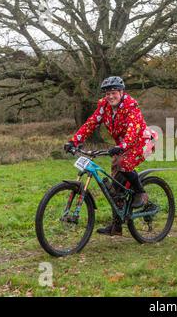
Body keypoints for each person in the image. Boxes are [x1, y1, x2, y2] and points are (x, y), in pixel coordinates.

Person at [64, 76, 152, 236]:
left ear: (121, 92)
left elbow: (133, 130)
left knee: (124, 164)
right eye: (107, 94)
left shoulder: (131, 106)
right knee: (114, 188)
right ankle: (116, 227)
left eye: (113, 93)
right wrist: (74, 141)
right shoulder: (104, 107)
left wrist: (122, 146)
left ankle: (141, 192)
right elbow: (90, 124)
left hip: (141, 142)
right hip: (121, 146)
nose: (110, 96)